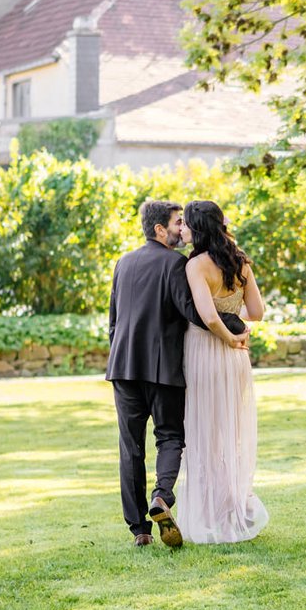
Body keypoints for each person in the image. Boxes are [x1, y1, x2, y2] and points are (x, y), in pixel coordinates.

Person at [106, 200, 248, 548]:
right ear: (160, 230)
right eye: (176, 222)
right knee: (170, 437)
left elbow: (113, 322)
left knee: (131, 448)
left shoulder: (122, 263)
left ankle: (139, 529)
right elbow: (195, 313)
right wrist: (234, 325)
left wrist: (119, 357)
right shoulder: (175, 264)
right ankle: (162, 497)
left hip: (123, 368)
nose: (181, 228)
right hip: (164, 369)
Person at [174, 199, 270, 543]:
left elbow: (208, 317)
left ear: (197, 228)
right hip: (235, 360)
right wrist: (237, 332)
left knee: (204, 432)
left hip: (205, 351)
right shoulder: (240, 262)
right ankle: (231, 508)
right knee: (231, 431)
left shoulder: (196, 265)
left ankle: (211, 514)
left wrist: (228, 337)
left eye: (185, 223)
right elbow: (257, 312)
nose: (181, 229)